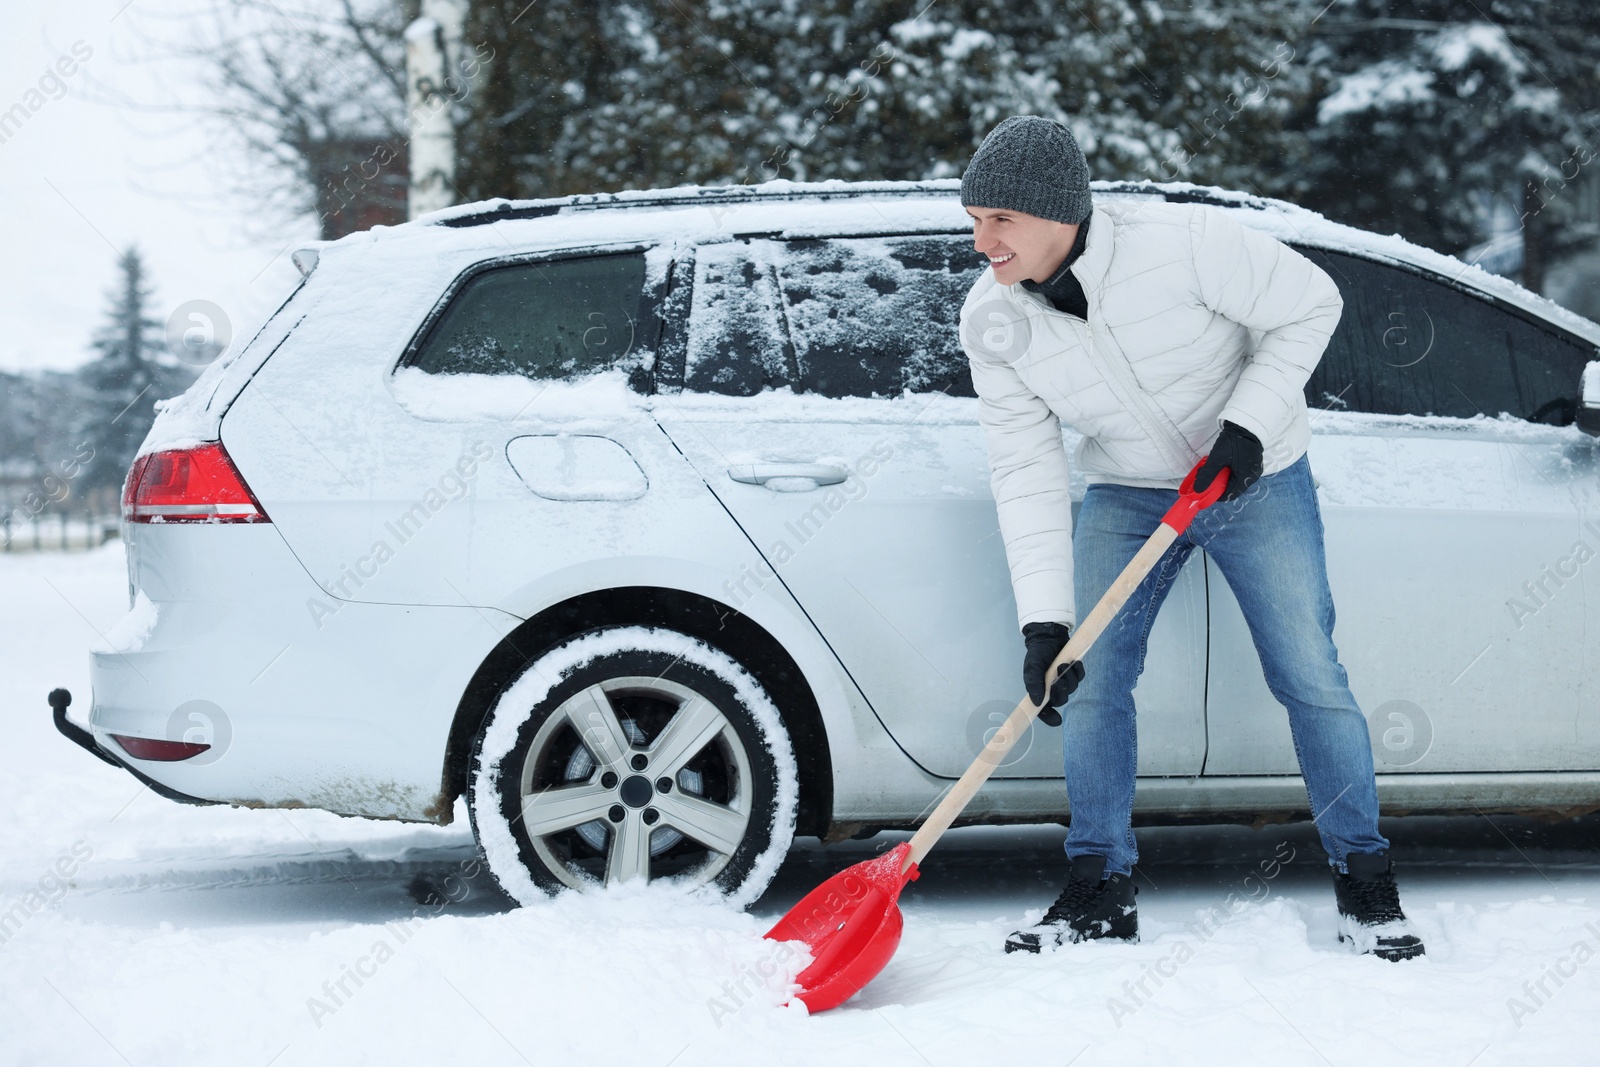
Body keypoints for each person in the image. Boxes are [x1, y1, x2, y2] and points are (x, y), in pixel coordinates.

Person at [957, 115, 1424, 962]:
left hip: (1255, 475)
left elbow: (1312, 303)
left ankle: (1365, 876)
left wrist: (1247, 428)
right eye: (973, 221)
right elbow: (1022, 468)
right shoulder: (993, 321)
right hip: (1131, 488)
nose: (982, 242)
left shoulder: (1184, 242)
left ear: (1059, 213)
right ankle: (1100, 882)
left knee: (1307, 672)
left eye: (1000, 221)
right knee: (1088, 678)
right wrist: (1044, 623)